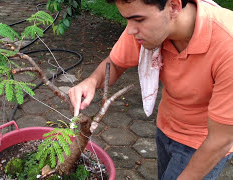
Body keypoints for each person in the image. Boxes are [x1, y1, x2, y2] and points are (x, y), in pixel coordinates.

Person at [68, 0, 233, 179]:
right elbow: (115, 64)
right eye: (127, 20)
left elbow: (221, 140)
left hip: (204, 144)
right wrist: (91, 81)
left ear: (174, 7)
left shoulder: (227, 45)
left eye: (138, 19)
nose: (130, 30)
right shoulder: (150, 29)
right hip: (166, 126)